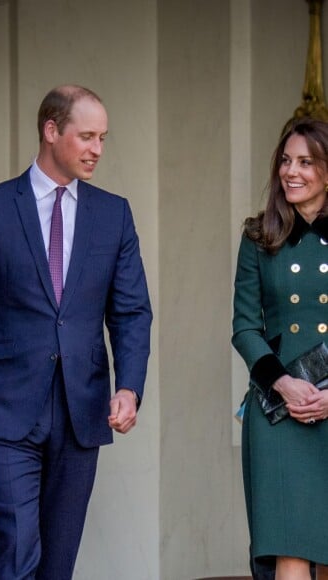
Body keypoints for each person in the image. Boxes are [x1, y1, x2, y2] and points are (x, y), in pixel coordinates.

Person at [0, 84, 152, 579]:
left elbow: (132, 311)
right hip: (4, 410)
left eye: (103, 138)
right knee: (18, 558)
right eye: (88, 136)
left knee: (57, 566)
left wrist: (129, 386)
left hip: (82, 410)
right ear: (52, 131)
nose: (98, 149)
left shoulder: (113, 214)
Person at [232, 117, 328, 580]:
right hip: (278, 411)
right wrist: (285, 384)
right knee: (289, 546)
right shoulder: (258, 237)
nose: (292, 171)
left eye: (306, 162)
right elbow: (245, 328)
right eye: (286, 161)